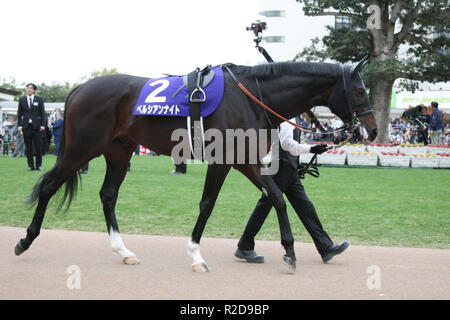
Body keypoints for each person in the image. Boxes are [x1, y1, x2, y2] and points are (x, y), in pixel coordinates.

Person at [235, 116, 350, 264]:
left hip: (289, 169)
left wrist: (297, 164)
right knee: (265, 206)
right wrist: (310, 149)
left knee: (305, 207)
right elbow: (286, 144)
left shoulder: (292, 115)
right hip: (281, 169)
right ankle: (244, 246)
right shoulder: (288, 117)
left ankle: (325, 246)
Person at [17, 83, 46, 171]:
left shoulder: (39, 99)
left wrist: (43, 125)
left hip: (37, 126)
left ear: (34, 90)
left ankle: (38, 165)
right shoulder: (22, 100)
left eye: (30, 88)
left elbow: (42, 113)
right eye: (27, 88)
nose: (28, 89)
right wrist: (19, 125)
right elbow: (19, 113)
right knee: (28, 147)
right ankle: (30, 165)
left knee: (38, 146)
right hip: (26, 126)